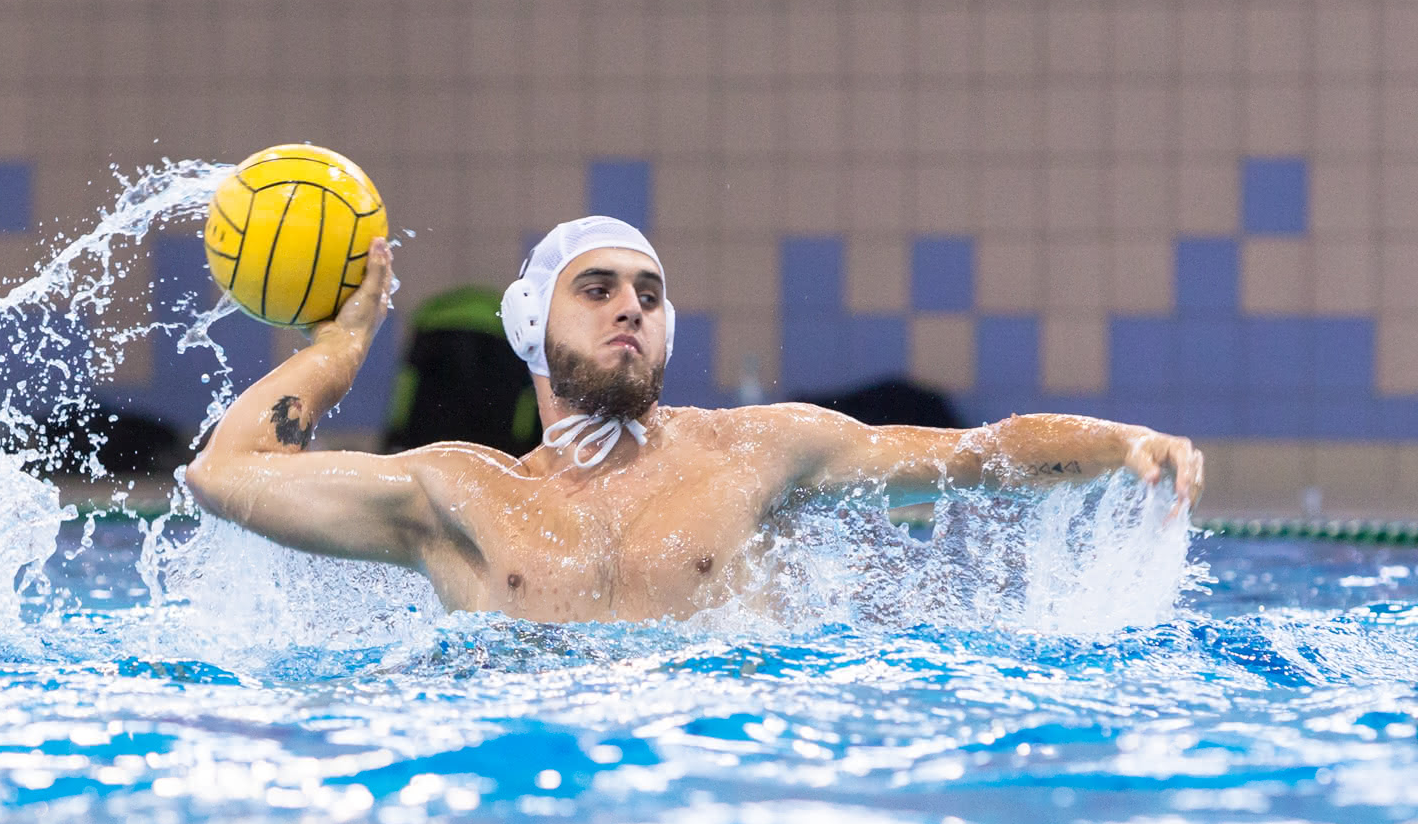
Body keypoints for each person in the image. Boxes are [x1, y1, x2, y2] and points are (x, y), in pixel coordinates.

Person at [186, 217, 1204, 623]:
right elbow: (223, 475)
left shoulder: (758, 450)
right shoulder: (460, 492)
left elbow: (974, 455)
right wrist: (341, 347)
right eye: (597, 287)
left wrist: (1121, 444)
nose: (630, 303)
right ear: (531, 325)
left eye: (649, 290)